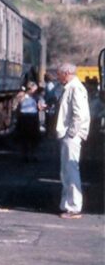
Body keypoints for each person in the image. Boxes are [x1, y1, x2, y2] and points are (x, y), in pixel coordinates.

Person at [54, 63, 90, 219]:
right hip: (68, 134)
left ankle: (74, 207)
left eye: (59, 74)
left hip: (71, 135)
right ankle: (67, 204)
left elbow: (79, 114)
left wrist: (71, 133)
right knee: (66, 171)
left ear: (66, 73)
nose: (57, 77)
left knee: (71, 169)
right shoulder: (70, 87)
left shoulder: (75, 88)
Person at [15, 81, 44, 163]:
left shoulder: (36, 97)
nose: (35, 91)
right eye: (34, 89)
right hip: (25, 117)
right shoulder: (22, 95)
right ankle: (25, 155)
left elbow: (39, 107)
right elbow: (17, 105)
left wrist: (42, 106)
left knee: (33, 138)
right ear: (30, 89)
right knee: (25, 138)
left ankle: (32, 155)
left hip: (32, 117)